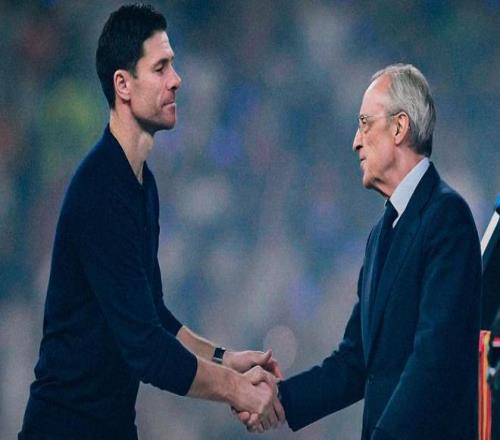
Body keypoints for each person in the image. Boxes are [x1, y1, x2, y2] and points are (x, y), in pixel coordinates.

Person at [18, 4, 284, 440]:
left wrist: (224, 359)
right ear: (123, 84)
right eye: (160, 68)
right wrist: (236, 389)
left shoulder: (140, 184)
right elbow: (145, 350)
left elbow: (154, 316)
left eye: (172, 66)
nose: (176, 80)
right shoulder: (102, 190)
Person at [239, 64, 482, 439]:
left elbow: (435, 357)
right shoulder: (379, 235)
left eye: (366, 124)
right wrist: (281, 398)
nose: (356, 141)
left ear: (399, 128)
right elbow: (356, 360)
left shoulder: (446, 217)